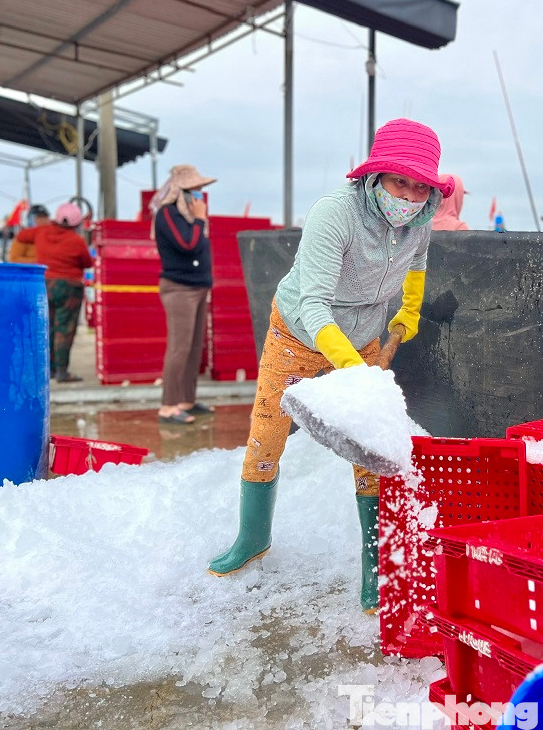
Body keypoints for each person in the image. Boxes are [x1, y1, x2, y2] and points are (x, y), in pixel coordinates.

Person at [207, 118, 454, 615]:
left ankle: (375, 567)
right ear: (375, 175)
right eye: (398, 180)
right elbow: (314, 303)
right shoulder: (334, 214)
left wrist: (408, 309)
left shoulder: (420, 220)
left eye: (418, 184)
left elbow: (420, 263)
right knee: (268, 433)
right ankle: (252, 538)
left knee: (370, 450)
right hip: (298, 331)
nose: (407, 194)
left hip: (364, 335)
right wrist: (351, 366)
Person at [150, 165, 216, 425]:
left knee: (194, 347)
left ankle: (186, 399)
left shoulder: (188, 217)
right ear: (182, 192)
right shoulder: (167, 215)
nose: (199, 195)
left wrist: (198, 219)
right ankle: (168, 406)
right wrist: (200, 218)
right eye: (195, 191)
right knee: (179, 347)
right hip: (179, 288)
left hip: (198, 287)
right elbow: (188, 244)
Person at [15, 203, 94, 382]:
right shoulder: (77, 241)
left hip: (45, 285)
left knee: (47, 327)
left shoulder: (41, 232)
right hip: (69, 287)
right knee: (64, 329)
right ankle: (62, 371)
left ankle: (48, 370)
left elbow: (21, 235)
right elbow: (88, 262)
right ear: (76, 224)